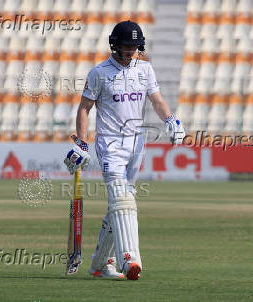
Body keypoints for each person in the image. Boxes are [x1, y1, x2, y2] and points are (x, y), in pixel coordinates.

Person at [64, 20, 185, 280]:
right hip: (110, 144)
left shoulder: (145, 69)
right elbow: (84, 108)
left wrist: (171, 120)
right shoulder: (99, 73)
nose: (130, 51)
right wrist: (82, 142)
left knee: (119, 206)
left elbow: (157, 100)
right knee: (122, 199)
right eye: (125, 46)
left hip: (136, 145)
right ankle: (129, 259)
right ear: (115, 45)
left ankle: (100, 264)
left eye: (134, 46)